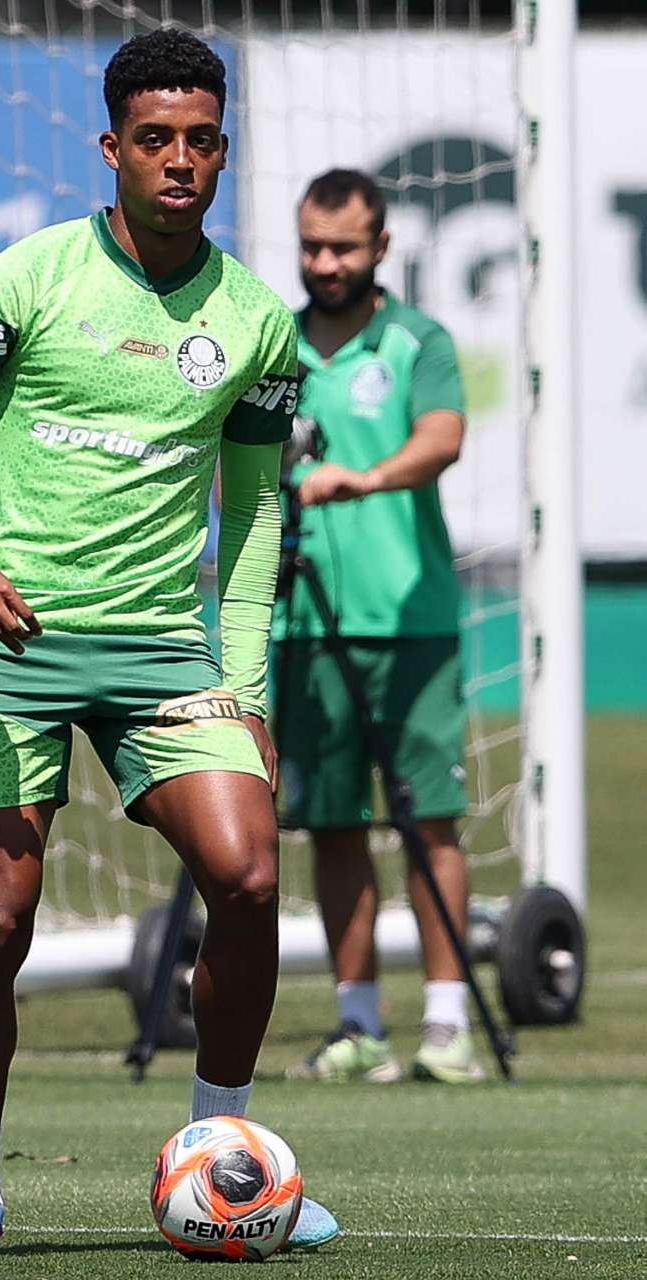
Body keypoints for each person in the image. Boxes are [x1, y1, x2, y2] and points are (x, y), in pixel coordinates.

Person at [0, 28, 338, 1259]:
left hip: (164, 655)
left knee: (248, 876)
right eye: (154, 139)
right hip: (11, 646)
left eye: (200, 140)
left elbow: (255, 512)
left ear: (223, 151)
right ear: (112, 148)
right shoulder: (25, 277)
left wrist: (244, 685)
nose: (178, 160)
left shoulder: (256, 323)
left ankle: (224, 1154)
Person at [275, 168, 483, 1085]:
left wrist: (359, 480)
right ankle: (359, 1024)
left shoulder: (416, 340)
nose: (326, 264)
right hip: (301, 623)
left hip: (409, 621)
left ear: (382, 248)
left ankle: (448, 1025)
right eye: (312, 247)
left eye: (344, 248)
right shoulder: (274, 343)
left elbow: (443, 437)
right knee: (331, 824)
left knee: (428, 818)